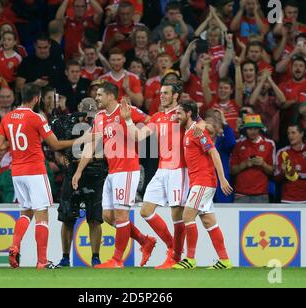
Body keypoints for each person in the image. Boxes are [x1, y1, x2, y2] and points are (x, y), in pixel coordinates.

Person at [0, 82, 84, 269]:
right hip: (35, 170)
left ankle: (15, 245)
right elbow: (55, 145)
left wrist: (15, 146)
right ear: (37, 98)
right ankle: (42, 261)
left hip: (17, 172)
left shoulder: (8, 118)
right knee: (42, 216)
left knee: (26, 212)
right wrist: (80, 140)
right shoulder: (37, 118)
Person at [72, 82, 156, 269]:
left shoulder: (127, 110)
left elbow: (151, 120)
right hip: (112, 170)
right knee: (108, 215)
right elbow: (92, 145)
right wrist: (79, 171)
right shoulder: (100, 117)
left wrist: (140, 135)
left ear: (111, 96)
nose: (97, 98)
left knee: (121, 214)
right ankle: (144, 240)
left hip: (127, 168)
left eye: (100, 95)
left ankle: (117, 260)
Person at [120, 83, 187, 269]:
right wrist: (127, 120)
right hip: (162, 169)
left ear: (176, 96)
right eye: (160, 93)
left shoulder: (182, 115)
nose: (162, 95)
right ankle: (172, 247)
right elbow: (138, 136)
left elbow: (202, 124)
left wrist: (202, 127)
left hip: (178, 170)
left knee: (176, 214)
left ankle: (176, 256)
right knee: (145, 210)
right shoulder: (157, 117)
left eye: (166, 93)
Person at [173, 100, 233, 270]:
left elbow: (214, 152)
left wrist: (222, 178)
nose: (176, 116)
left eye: (179, 113)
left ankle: (190, 259)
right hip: (199, 181)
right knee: (208, 222)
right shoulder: (190, 130)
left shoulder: (197, 132)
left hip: (203, 181)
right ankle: (225, 260)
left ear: (189, 114)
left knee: (187, 216)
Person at [54, 98, 107, 268]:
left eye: (90, 115)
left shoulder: (100, 124)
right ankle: (64, 258)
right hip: (71, 176)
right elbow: (57, 151)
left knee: (94, 219)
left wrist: (84, 162)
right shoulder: (64, 124)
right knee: (67, 219)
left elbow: (101, 154)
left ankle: (96, 258)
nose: (86, 118)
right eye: (84, 114)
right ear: (78, 109)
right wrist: (63, 160)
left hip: (95, 175)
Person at [230, 114, 275, 203]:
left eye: (255, 128)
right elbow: (232, 171)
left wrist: (263, 164)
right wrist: (244, 164)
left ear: (260, 129)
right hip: (241, 194)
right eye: (250, 129)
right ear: (245, 129)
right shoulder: (238, 144)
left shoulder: (269, 144)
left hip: (261, 194)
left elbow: (272, 171)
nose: (253, 131)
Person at [275, 124, 306, 204]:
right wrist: (282, 171)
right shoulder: (282, 152)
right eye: (288, 133)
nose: (290, 136)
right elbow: (276, 176)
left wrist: (298, 174)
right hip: (287, 199)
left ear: (301, 134)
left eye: (293, 133)